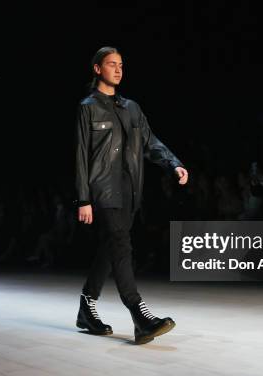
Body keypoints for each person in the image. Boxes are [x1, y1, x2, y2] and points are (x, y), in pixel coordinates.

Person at [74, 46, 189, 344]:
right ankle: (140, 315)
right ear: (97, 69)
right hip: (103, 190)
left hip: (130, 191)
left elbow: (151, 142)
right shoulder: (88, 107)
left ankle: (86, 308)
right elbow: (80, 156)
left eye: (121, 64)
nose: (118, 69)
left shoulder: (132, 108)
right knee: (121, 245)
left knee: (109, 247)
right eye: (111, 64)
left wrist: (173, 164)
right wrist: (83, 199)